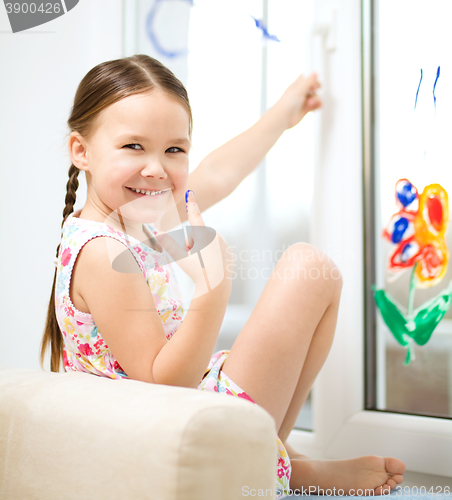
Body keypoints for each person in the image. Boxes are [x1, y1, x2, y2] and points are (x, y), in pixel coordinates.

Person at [40, 54, 405, 498]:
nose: (157, 168)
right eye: (134, 146)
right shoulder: (101, 251)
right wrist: (214, 287)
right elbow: (163, 386)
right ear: (82, 151)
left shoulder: (137, 220)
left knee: (317, 273)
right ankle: (271, 463)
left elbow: (217, 172)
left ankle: (276, 460)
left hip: (179, 411)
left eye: (174, 149)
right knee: (306, 269)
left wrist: (282, 116)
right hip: (165, 431)